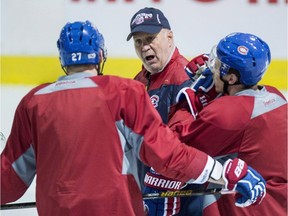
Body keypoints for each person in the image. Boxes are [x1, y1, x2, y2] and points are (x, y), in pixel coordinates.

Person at [0, 21, 266, 216]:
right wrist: (223, 173)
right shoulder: (123, 92)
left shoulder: (34, 102)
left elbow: (9, 182)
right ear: (101, 56)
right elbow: (167, 155)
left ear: (62, 60)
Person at [168, 32, 287, 216]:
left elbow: (171, 148)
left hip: (247, 207)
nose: (212, 69)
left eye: (217, 65)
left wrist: (189, 102)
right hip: (279, 204)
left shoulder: (228, 112)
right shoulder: (275, 95)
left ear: (231, 79)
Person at [126, 7, 202, 215]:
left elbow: (186, 146)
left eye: (150, 38)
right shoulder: (140, 80)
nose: (144, 47)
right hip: (149, 193)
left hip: (179, 200)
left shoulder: (186, 81)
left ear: (169, 37)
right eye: (138, 42)